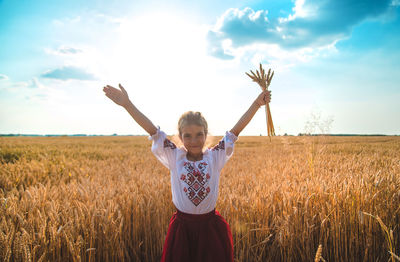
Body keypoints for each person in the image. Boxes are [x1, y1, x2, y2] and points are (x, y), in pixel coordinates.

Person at [103, 83, 271, 262]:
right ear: (180, 136)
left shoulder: (215, 157)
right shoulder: (175, 156)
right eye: (188, 135)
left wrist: (257, 104)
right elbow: (152, 131)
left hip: (210, 229)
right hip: (182, 230)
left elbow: (235, 131)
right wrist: (127, 104)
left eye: (199, 134)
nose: (194, 140)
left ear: (206, 135)